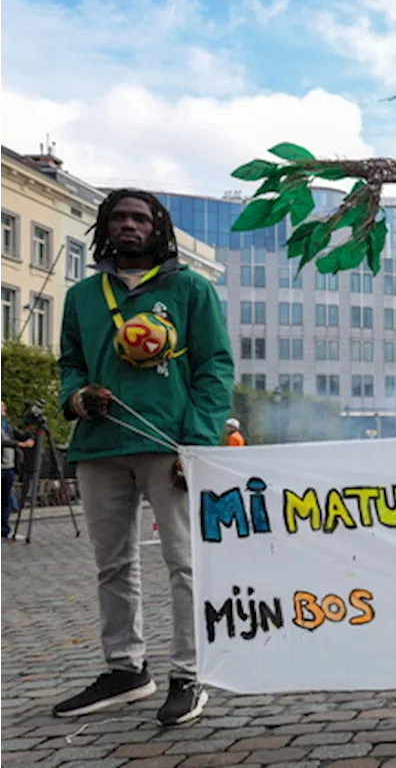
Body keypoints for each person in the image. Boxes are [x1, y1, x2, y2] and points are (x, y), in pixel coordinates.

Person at [52, 189, 234, 726]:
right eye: (118, 218)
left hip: (168, 444)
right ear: (104, 228)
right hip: (100, 445)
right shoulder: (83, 296)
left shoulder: (191, 289)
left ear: (159, 228)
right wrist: (77, 397)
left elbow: (215, 368)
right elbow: (70, 362)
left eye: (140, 217)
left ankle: (188, 673)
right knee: (112, 565)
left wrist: (197, 441)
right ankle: (126, 669)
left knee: (184, 562)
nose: (129, 225)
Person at [0, 400, 36, 540]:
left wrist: (32, 429)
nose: (5, 409)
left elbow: (21, 435)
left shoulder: (6, 425)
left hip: (8, 467)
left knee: (5, 501)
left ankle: (4, 531)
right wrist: (20, 444)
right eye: (2, 406)